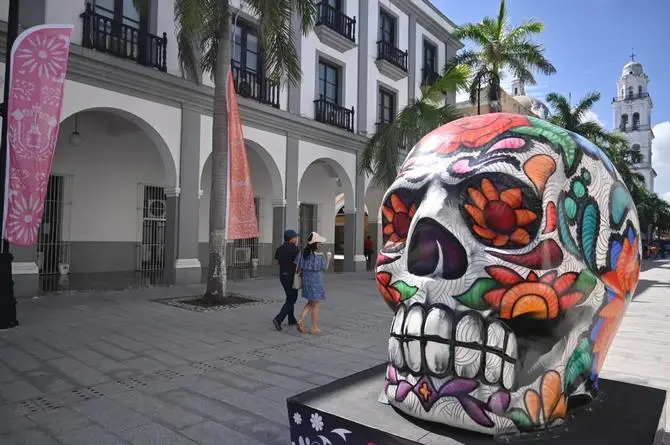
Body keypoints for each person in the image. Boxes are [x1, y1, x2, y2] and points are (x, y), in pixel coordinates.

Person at [295, 232, 332, 334]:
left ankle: (301, 319)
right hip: (317, 280)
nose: (320, 244)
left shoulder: (303, 254)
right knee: (316, 304)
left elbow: (298, 266)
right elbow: (325, 268)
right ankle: (314, 327)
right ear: (315, 243)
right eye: (319, 242)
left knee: (311, 302)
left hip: (306, 280)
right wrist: (329, 258)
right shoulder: (319, 256)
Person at [272, 229, 301, 331]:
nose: (297, 239)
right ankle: (278, 319)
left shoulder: (279, 248)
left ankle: (291, 318)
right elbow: (299, 263)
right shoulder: (295, 249)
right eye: (295, 237)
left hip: (282, 276)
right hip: (291, 276)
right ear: (292, 238)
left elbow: (277, 262)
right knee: (292, 298)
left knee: (289, 296)